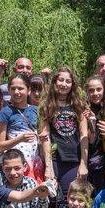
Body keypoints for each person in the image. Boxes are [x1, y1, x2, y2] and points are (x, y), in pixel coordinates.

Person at [39, 67, 90, 199]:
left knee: (72, 198)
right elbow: (45, 136)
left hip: (74, 159)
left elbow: (84, 136)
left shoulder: (79, 105)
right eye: (61, 80)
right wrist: (48, 166)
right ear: (55, 82)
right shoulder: (47, 105)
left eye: (68, 81)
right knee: (53, 199)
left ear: (72, 84)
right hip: (55, 159)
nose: (64, 84)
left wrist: (83, 164)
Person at [0, 74, 41, 181]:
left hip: (36, 164)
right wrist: (19, 139)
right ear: (8, 90)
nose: (16, 92)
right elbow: (0, 146)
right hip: (17, 168)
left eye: (20, 88)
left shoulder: (37, 110)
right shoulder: (5, 112)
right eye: (13, 89)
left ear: (29, 90)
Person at [84, 75, 105, 189]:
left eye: (98, 89)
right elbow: (91, 140)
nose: (95, 93)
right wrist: (91, 122)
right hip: (92, 158)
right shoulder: (85, 110)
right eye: (91, 90)